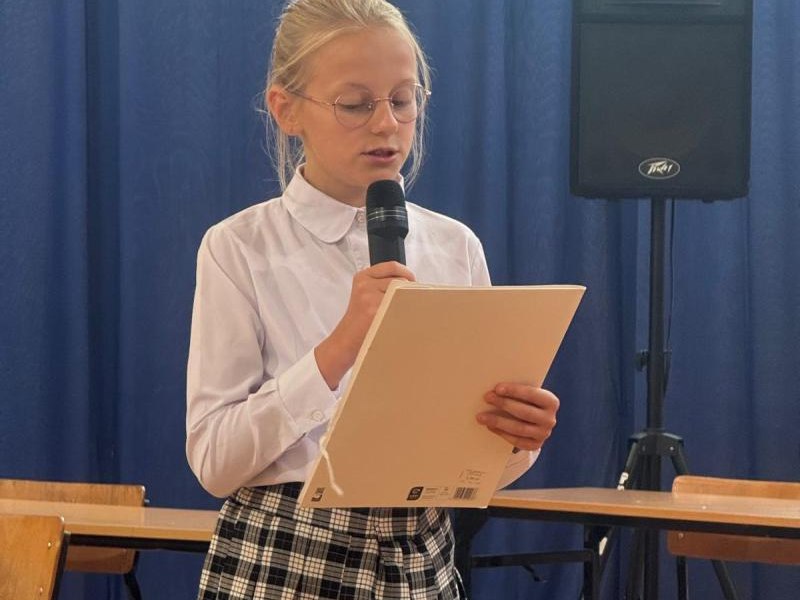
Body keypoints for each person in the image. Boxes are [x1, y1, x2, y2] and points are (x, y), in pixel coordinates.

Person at [186, 1, 560, 598]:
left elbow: (472, 472)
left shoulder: (454, 246)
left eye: (403, 100)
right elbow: (214, 461)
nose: (386, 124)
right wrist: (338, 348)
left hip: (423, 556)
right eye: (355, 104)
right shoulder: (240, 247)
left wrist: (515, 439)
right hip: (287, 553)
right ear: (286, 109)